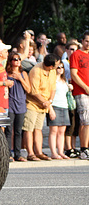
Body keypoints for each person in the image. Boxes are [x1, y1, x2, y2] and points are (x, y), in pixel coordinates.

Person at [23, 53, 58, 161]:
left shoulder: (52, 71)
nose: (57, 66)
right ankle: (30, 153)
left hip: (44, 104)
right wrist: (47, 104)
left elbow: (53, 88)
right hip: (32, 103)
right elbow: (34, 91)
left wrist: (49, 102)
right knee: (29, 128)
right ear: (50, 66)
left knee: (38, 129)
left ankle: (39, 152)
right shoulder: (36, 71)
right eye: (56, 64)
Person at [6, 51, 30, 161]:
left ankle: (17, 153)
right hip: (10, 103)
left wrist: (20, 78)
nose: (17, 61)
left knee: (18, 131)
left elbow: (28, 89)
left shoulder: (23, 73)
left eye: (19, 59)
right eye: (15, 59)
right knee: (9, 130)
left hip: (21, 104)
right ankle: (8, 153)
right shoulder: (7, 73)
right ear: (10, 61)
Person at [70, 31, 89, 160]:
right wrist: (86, 87)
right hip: (82, 91)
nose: (88, 43)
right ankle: (84, 148)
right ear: (82, 41)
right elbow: (74, 74)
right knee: (85, 121)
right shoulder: (76, 54)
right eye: (87, 40)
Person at [47, 61, 72, 159]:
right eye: (58, 67)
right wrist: (50, 108)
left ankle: (61, 151)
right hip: (54, 105)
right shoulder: (52, 80)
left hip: (64, 106)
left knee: (62, 131)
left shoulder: (64, 81)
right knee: (54, 130)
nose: (60, 69)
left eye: (62, 67)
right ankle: (53, 152)